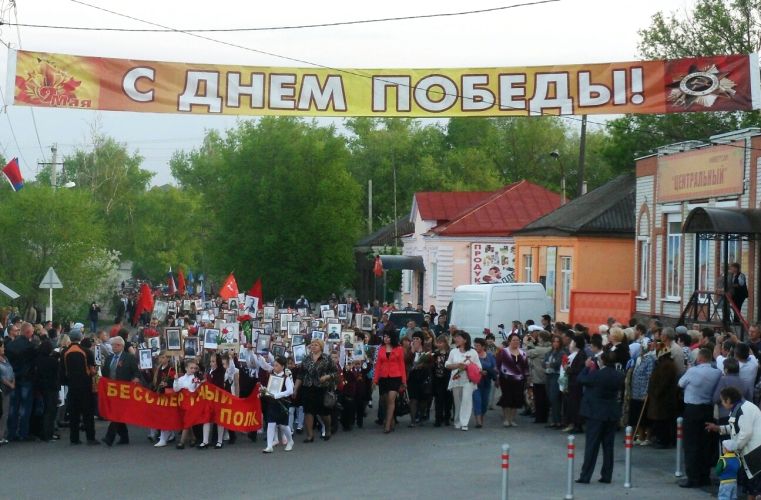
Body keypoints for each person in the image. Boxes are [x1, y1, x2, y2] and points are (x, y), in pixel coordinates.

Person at [575, 351, 625, 484]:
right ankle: (607, 475)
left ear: (602, 361)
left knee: (592, 445)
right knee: (608, 446)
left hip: (596, 413)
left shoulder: (597, 375)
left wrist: (586, 367)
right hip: (611, 413)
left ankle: (586, 475)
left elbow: (580, 379)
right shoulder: (619, 375)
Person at [678, 347, 722, 488]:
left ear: (700, 358)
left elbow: (680, 383)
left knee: (691, 444)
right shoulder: (717, 372)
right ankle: (705, 475)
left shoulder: (692, 371)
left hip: (692, 409)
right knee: (705, 443)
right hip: (707, 409)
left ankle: (693, 477)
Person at [707, 386, 761, 499]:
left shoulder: (742, 410)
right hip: (753, 451)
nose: (722, 403)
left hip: (754, 452)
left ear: (728, 400)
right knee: (752, 487)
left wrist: (734, 447)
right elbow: (737, 428)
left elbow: (745, 433)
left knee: (754, 487)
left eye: (722, 400)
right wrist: (719, 428)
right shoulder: (741, 407)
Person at [60, 327, 98, 445]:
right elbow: (92, 370)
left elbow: (62, 370)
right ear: (80, 338)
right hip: (86, 385)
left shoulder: (64, 352)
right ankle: (90, 438)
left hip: (72, 385)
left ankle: (74, 438)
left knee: (74, 413)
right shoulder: (86, 351)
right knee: (88, 413)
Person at [294, 339, 338, 442]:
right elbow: (300, 375)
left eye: (316, 345)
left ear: (321, 347)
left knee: (323, 413)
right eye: (312, 345)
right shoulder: (306, 358)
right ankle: (310, 435)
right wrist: (295, 389)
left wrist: (327, 376)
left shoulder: (326, 358)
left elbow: (335, 373)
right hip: (307, 387)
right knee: (308, 411)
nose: (313, 347)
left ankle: (327, 429)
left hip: (321, 388)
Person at [101, 336, 141, 446]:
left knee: (117, 413)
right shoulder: (109, 358)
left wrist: (135, 378)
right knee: (118, 414)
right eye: (113, 345)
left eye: (117, 345)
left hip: (124, 390)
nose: (114, 347)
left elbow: (136, 372)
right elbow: (105, 373)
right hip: (112, 390)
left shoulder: (129, 358)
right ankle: (124, 437)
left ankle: (109, 437)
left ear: (122, 346)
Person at [5, 321, 36, 441]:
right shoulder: (30, 347)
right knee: (25, 408)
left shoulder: (10, 345)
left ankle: (11, 433)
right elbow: (33, 363)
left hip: (13, 378)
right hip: (26, 378)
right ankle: (23, 433)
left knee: (13, 407)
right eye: (32, 332)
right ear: (28, 332)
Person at [445, 331, 481, 431]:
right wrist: (457, 366)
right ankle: (457, 421)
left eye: (458, 337)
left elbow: (478, 366)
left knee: (466, 400)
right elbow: (447, 364)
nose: (456, 339)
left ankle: (464, 422)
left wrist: (468, 367)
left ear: (465, 340)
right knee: (457, 402)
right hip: (456, 379)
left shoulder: (472, 352)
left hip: (468, 380)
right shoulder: (453, 351)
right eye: (455, 337)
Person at [373, 331, 407, 434]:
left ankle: (387, 424)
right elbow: (378, 364)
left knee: (391, 400)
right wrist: (375, 379)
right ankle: (391, 420)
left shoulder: (399, 349)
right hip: (383, 377)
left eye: (388, 337)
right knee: (385, 400)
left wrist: (404, 381)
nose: (386, 339)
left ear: (392, 338)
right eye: (385, 337)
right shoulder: (381, 349)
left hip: (395, 376)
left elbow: (402, 365)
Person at [259, 355, 294, 453]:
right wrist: (263, 390)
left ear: (283, 366)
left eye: (277, 365)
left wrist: (278, 395)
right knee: (271, 423)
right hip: (272, 402)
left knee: (283, 425)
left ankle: (290, 441)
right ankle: (269, 446)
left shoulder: (286, 377)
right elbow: (269, 388)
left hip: (282, 403)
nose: (275, 367)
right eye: (274, 365)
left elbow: (290, 390)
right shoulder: (271, 376)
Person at [496, 333, 529, 427]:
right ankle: (506, 419)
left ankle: (512, 419)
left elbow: (525, 367)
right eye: (514, 340)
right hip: (505, 379)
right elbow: (498, 365)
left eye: (518, 340)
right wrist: (497, 377)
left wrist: (527, 379)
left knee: (516, 399)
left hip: (520, 380)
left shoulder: (523, 353)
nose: (516, 342)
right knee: (507, 398)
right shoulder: (503, 352)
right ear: (509, 341)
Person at [34, 340, 60, 442]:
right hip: (52, 388)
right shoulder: (53, 361)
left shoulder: (38, 360)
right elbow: (57, 374)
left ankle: (44, 433)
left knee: (45, 411)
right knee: (51, 411)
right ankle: (48, 433)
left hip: (41, 388)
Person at [173, 360, 201, 449]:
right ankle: (193, 438)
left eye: (194, 368)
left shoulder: (196, 378)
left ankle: (182, 441)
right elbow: (176, 389)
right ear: (186, 368)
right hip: (183, 403)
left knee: (187, 420)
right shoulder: (181, 379)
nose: (193, 370)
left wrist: (197, 384)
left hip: (192, 403)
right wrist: (176, 380)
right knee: (187, 421)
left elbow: (196, 389)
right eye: (191, 368)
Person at [406, 331, 432, 427]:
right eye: (414, 338)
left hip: (423, 376)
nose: (415, 340)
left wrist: (423, 365)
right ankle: (413, 420)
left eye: (417, 338)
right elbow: (406, 360)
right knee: (413, 399)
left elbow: (430, 363)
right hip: (412, 376)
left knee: (423, 399)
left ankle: (420, 417)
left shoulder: (426, 349)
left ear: (421, 340)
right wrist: (412, 350)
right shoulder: (409, 349)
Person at [527, 331, 552, 424]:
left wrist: (529, 343)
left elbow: (528, 353)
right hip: (546, 376)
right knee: (545, 398)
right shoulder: (550, 348)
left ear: (541, 338)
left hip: (538, 376)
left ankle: (539, 417)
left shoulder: (539, 349)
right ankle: (544, 416)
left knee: (538, 398)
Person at [472, 338, 497, 428]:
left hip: (487, 382)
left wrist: (496, 376)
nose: (476, 347)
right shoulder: (473, 355)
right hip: (476, 382)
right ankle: (478, 421)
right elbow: (470, 366)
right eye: (475, 345)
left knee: (485, 402)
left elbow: (494, 367)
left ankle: (481, 417)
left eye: (478, 345)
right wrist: (479, 371)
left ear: (483, 346)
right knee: (477, 400)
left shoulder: (490, 355)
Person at [431, 334, 452, 427]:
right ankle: (438, 419)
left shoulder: (450, 353)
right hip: (437, 378)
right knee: (438, 399)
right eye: (438, 342)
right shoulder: (435, 353)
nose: (439, 344)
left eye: (441, 342)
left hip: (447, 378)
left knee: (448, 399)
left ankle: (447, 417)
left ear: (445, 343)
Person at [544, 335, 564, 428]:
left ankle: (558, 421)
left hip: (556, 376)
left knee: (555, 398)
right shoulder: (550, 352)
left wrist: (549, 364)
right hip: (548, 375)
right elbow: (543, 362)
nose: (555, 343)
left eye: (557, 341)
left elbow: (558, 364)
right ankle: (553, 421)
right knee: (550, 398)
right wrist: (548, 364)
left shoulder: (562, 352)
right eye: (554, 341)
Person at [0, 338, 14, 444]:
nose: (3, 348)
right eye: (2, 346)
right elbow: (1, 377)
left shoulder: (5, 358)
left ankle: (4, 434)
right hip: (3, 388)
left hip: (9, 388)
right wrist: (10, 384)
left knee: (6, 412)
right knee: (2, 413)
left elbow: (11, 370)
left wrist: (13, 382)